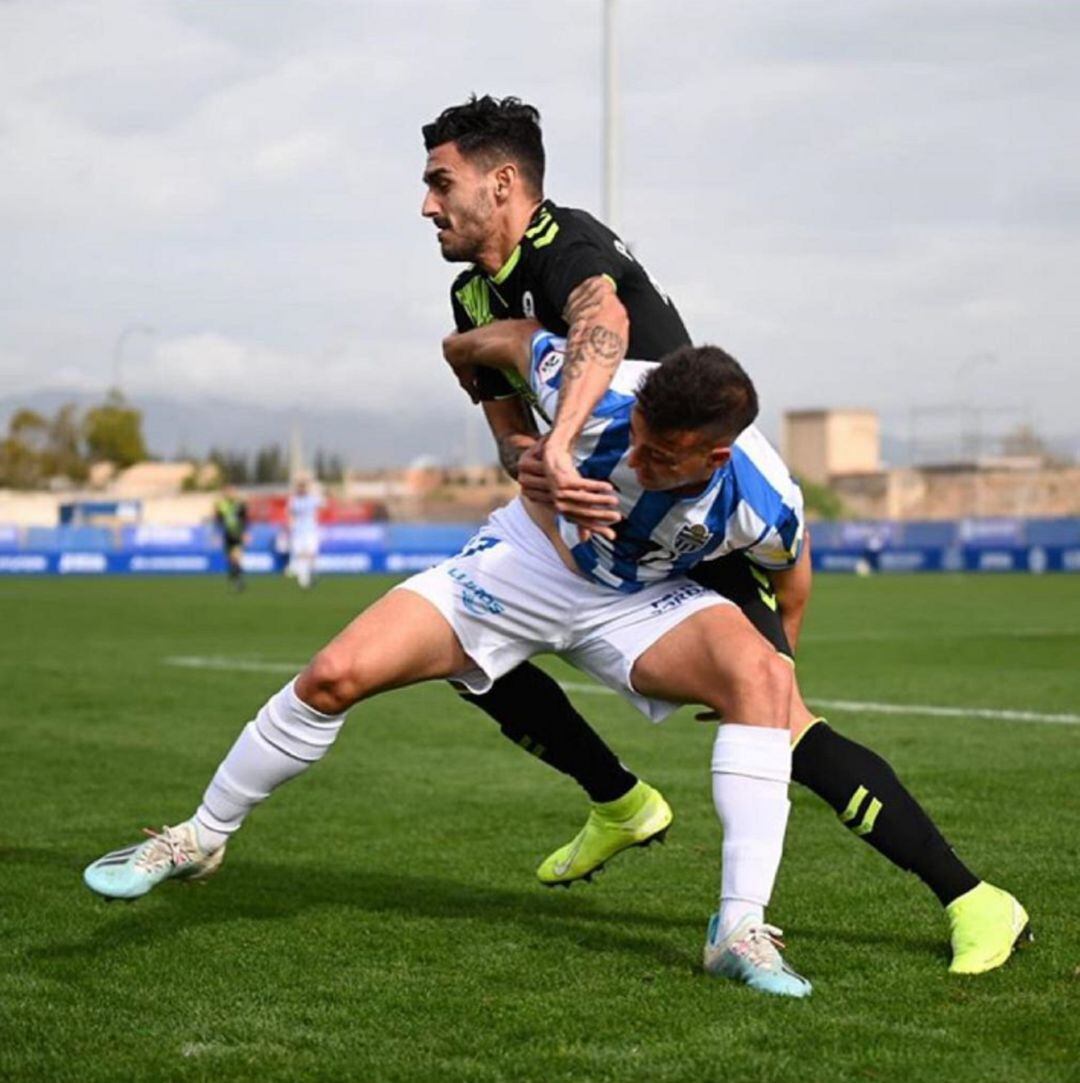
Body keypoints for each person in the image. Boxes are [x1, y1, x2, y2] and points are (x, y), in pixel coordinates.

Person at [423, 97, 1030, 977]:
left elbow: (605, 325)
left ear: (503, 181)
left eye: (442, 182)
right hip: (608, 525)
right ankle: (619, 800)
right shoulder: (471, 290)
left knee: (784, 723)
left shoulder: (570, 250)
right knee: (461, 640)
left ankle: (978, 900)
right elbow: (511, 431)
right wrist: (534, 461)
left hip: (701, 531)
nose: (429, 204)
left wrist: (780, 655)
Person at [85, 344, 821, 998]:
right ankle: (199, 837)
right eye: (636, 441)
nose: (636, 462)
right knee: (333, 674)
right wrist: (528, 447)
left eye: (662, 458)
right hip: (526, 564)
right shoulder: (595, 385)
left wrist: (770, 673)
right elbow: (480, 344)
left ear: (713, 457)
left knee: (763, 677)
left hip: (636, 603)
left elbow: (791, 586)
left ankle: (737, 930)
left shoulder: (761, 497)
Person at [286, 477, 323, 590]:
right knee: (300, 555)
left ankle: (310, 573)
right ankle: (304, 579)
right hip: (298, 531)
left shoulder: (312, 499)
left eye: (303, 487)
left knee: (311, 553)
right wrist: (290, 526)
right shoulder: (294, 500)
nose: (301, 489)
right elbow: (290, 514)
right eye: (299, 487)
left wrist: (316, 487)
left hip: (311, 530)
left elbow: (323, 503)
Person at [213, 486, 248, 592]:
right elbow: (218, 520)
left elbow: (244, 519)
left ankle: (238, 579)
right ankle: (234, 572)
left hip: (237, 534)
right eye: (228, 492)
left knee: (236, 556)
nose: (230, 494)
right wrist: (216, 534)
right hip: (227, 534)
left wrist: (245, 533)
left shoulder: (239, 505)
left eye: (232, 492)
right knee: (230, 558)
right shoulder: (222, 505)